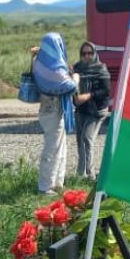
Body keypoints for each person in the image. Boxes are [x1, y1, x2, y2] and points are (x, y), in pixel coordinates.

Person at [31, 32, 78, 194]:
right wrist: (76, 77)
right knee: (53, 148)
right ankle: (45, 186)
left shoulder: (40, 63)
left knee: (60, 147)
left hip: (50, 111)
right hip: (54, 112)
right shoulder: (55, 68)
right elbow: (70, 85)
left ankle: (57, 182)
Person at [72, 41, 111, 180]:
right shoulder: (77, 68)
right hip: (81, 108)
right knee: (79, 140)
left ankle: (90, 174)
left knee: (87, 139)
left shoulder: (101, 68)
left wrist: (88, 96)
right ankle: (80, 172)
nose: (86, 56)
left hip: (96, 109)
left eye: (90, 53)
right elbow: (72, 85)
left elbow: (106, 90)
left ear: (94, 54)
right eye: (84, 53)